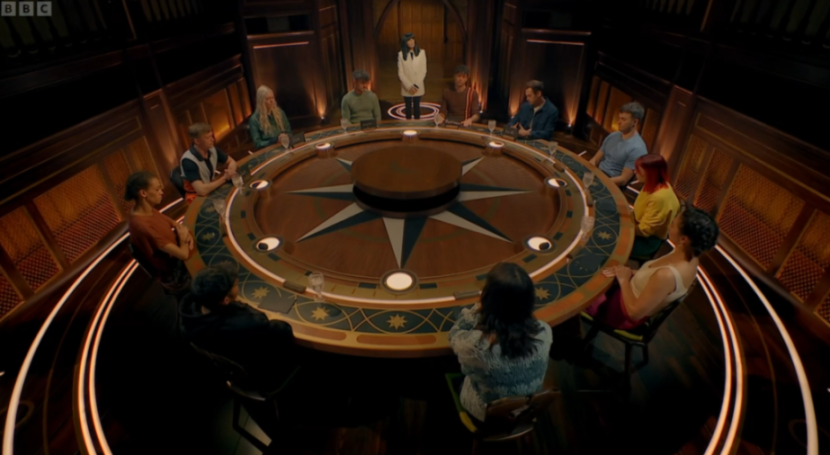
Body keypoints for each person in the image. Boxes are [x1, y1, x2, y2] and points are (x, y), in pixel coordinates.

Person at [584, 203, 719, 330]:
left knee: (576, 287)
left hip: (620, 313)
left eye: (673, 224)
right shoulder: (688, 255)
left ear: (683, 239)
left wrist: (624, 280)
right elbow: (651, 280)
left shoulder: (667, 275)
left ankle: (573, 334)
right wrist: (629, 271)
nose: (669, 226)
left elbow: (634, 313)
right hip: (626, 292)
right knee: (594, 262)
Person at [448, 262, 553, 422]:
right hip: (527, 409)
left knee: (457, 368)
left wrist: (476, 309)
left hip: (491, 414)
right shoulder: (545, 331)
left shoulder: (476, 347)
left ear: (487, 297)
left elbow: (454, 335)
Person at [179, 262, 296, 387]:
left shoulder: (190, 313)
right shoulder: (246, 324)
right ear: (225, 300)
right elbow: (285, 330)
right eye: (235, 284)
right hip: (260, 372)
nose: (237, 281)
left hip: (228, 366)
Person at [125, 171, 193, 295]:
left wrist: (185, 234)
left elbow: (175, 224)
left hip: (176, 252)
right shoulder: (142, 226)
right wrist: (183, 238)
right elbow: (183, 255)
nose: (162, 192)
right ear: (143, 193)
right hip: (174, 274)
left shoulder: (144, 209)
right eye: (157, 189)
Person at [588, 101, 648, 187]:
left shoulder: (638, 148)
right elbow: (595, 159)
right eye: (619, 118)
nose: (619, 122)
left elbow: (623, 179)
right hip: (598, 174)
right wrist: (589, 171)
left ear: (635, 122)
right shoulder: (613, 136)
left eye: (623, 119)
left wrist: (600, 182)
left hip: (612, 183)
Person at [631, 154, 680, 258]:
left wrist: (620, 228)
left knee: (608, 240)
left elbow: (644, 231)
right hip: (636, 226)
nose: (635, 172)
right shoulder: (652, 183)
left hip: (647, 240)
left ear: (650, 174)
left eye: (639, 171)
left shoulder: (659, 198)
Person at [179, 123, 238, 204]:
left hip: (211, 188)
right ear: (197, 141)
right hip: (196, 198)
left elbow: (232, 161)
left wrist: (230, 172)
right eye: (208, 137)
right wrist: (225, 178)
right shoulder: (188, 161)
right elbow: (201, 190)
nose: (212, 139)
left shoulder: (212, 149)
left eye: (211, 136)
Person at [248, 85, 292, 150]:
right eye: (268, 99)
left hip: (284, 147)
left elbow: (289, 132)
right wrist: (275, 140)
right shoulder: (254, 120)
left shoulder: (280, 113)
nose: (271, 101)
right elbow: (258, 144)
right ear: (261, 101)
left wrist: (286, 137)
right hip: (268, 151)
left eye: (272, 98)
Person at [397, 33, 427, 120]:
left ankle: (418, 127)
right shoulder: (401, 54)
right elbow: (400, 73)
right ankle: (408, 126)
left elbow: (423, 71)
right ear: (405, 42)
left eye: (413, 39)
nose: (412, 41)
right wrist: (409, 86)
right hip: (407, 87)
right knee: (408, 109)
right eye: (409, 40)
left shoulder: (422, 53)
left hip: (418, 86)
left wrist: (415, 85)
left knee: (417, 108)